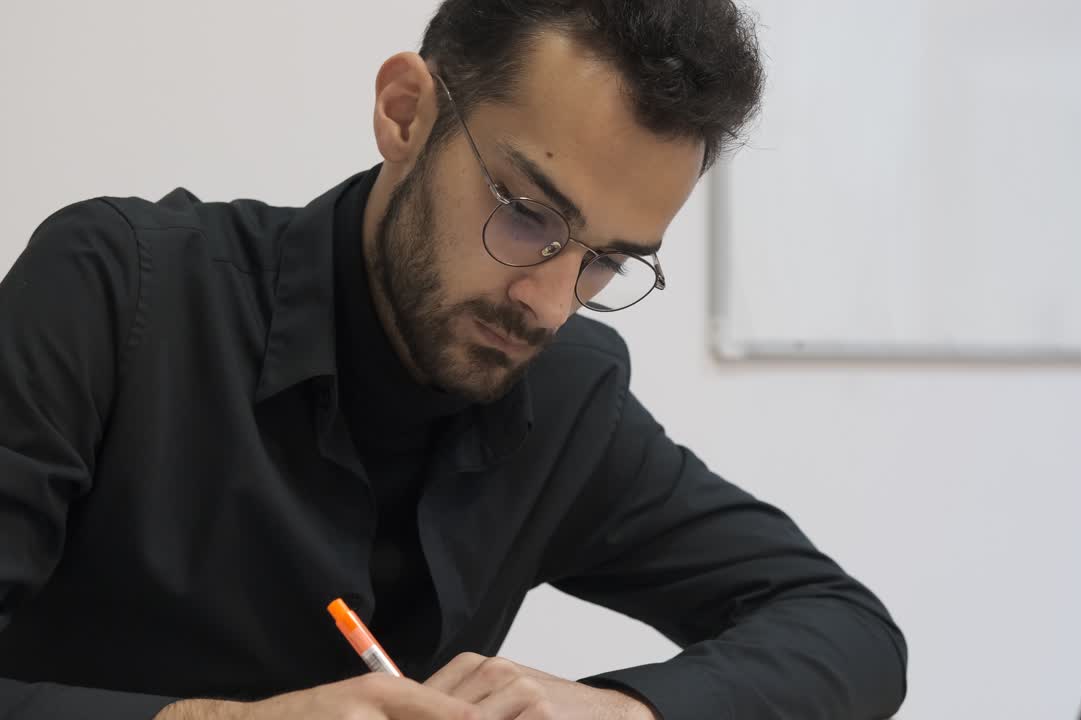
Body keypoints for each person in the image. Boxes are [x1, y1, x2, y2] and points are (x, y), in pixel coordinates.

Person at [0, 1, 907, 718]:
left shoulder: (566, 398)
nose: (550, 304)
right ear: (405, 115)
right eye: (527, 214)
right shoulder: (120, 293)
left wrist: (620, 709)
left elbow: (845, 630)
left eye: (608, 260)